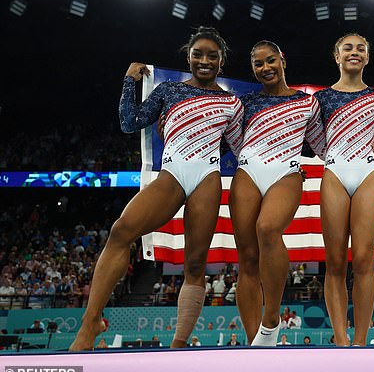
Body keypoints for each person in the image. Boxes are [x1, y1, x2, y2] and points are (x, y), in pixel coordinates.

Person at [69, 27, 243, 351]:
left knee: (194, 264)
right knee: (121, 231)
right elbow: (129, 122)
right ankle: (91, 321)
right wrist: (128, 82)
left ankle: (179, 343)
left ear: (222, 61)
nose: (204, 60)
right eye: (198, 54)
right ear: (188, 57)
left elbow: (235, 146)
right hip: (172, 173)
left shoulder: (232, 102)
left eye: (212, 55)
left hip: (207, 176)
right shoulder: (169, 91)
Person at [230, 41, 325, 346]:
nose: (265, 68)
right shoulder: (243, 104)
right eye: (258, 64)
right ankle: (253, 343)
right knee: (246, 258)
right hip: (248, 170)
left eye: (271, 60)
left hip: (286, 171)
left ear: (283, 60)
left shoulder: (307, 104)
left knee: (267, 228)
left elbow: (322, 146)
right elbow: (231, 139)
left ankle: (271, 319)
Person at [313, 33, 374, 346]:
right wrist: (335, 153)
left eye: (361, 49)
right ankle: (341, 339)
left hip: (367, 176)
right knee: (334, 263)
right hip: (335, 174)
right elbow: (315, 138)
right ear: (337, 56)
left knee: (363, 261)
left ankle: (360, 340)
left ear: (367, 58)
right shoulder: (321, 98)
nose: (354, 52)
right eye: (347, 48)